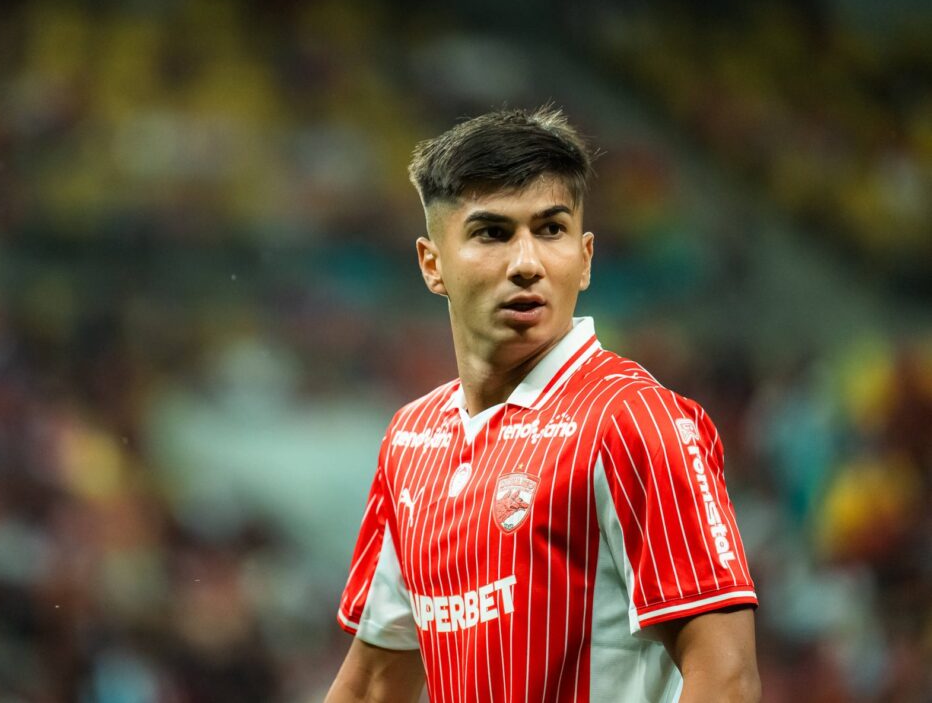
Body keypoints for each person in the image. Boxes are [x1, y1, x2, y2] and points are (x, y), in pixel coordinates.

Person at [325, 107, 760, 702]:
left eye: (551, 230)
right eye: (492, 233)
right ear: (432, 264)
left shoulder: (632, 420)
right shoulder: (411, 439)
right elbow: (374, 685)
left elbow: (727, 677)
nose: (527, 263)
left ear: (585, 258)